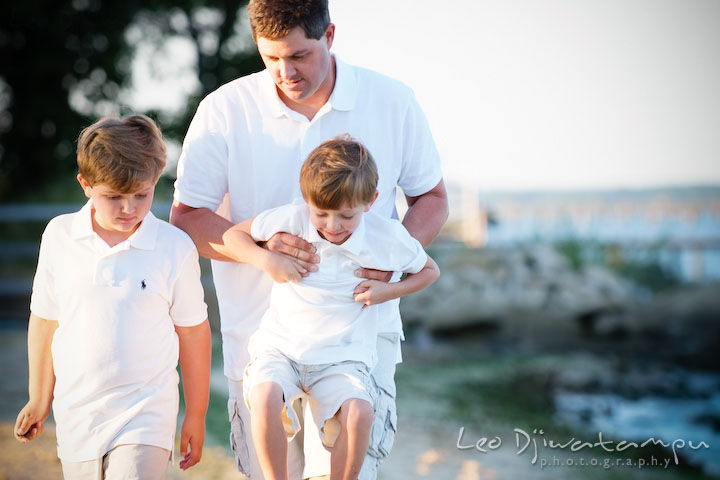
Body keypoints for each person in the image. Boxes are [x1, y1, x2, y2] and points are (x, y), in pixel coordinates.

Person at [170, 0, 449, 478]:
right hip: (259, 339)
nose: (285, 71)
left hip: (358, 341)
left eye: (298, 56)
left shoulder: (392, 101)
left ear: (330, 35)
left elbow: (433, 199)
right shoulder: (223, 109)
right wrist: (261, 255)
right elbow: (187, 216)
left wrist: (392, 264)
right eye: (270, 57)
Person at [222, 136, 440, 479]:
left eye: (346, 216)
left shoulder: (386, 237)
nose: (332, 226)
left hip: (343, 358)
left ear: (370, 202)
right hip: (282, 349)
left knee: (360, 415)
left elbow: (430, 271)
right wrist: (266, 259)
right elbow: (233, 236)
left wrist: (389, 290)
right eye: (321, 213)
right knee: (264, 397)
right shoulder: (293, 218)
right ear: (306, 199)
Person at [14, 114, 212, 479]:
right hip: (79, 415)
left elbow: (194, 332)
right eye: (114, 197)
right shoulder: (59, 237)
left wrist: (196, 413)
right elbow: (45, 321)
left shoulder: (173, 247)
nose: (129, 208)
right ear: (86, 184)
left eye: (142, 194)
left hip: (146, 414)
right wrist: (40, 397)